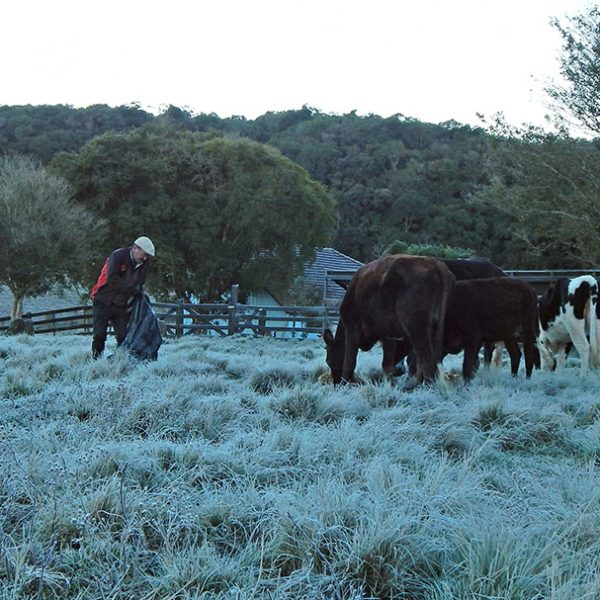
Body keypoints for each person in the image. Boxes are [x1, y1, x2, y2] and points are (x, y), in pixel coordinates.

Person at [90, 236, 155, 359]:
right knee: (99, 335)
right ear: (136, 248)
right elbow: (112, 279)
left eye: (147, 256)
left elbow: (139, 285)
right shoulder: (118, 256)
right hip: (102, 300)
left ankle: (121, 361)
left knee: (124, 336)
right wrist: (132, 291)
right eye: (144, 254)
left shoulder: (144, 264)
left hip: (121, 304)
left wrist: (139, 297)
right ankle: (96, 362)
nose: (145, 258)